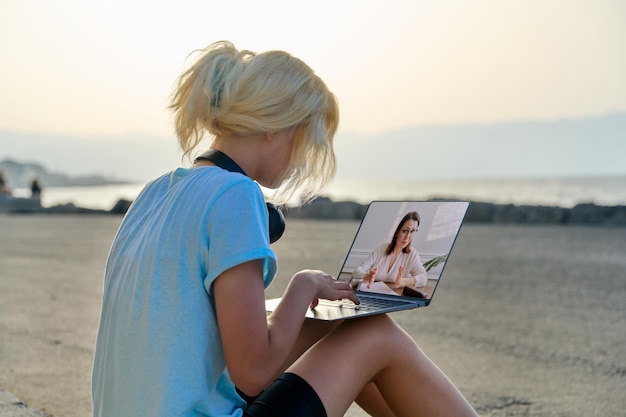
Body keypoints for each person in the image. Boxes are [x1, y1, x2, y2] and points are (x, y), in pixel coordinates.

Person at [91, 41, 478, 417]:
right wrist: (303, 286)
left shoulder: (155, 192)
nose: (305, 157)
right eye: (307, 138)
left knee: (338, 325)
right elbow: (253, 372)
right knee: (376, 334)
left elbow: (184, 323)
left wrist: (302, 313)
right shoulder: (235, 195)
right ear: (274, 127)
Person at [354, 211, 429, 291]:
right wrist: (367, 276)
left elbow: (423, 278)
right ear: (397, 232)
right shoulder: (383, 248)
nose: (408, 237)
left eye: (412, 231)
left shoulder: (412, 255)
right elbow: (358, 270)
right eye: (405, 231)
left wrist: (403, 281)